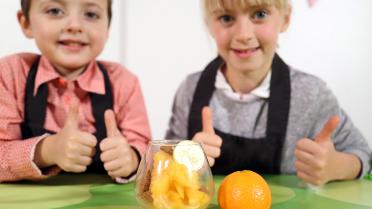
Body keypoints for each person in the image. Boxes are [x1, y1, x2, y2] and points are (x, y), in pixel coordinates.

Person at [165, 0, 371, 186]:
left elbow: (363, 155)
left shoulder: (312, 94)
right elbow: (165, 163)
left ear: (285, 19)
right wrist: (183, 160)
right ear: (209, 25)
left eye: (260, 14)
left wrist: (335, 166)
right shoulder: (190, 90)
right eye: (226, 18)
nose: (243, 34)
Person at [0, 0, 151, 183]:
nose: (75, 26)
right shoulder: (9, 74)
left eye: (91, 14)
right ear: (26, 23)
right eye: (55, 11)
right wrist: (47, 150)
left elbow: (146, 149)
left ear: (108, 28)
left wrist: (132, 158)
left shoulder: (124, 82)